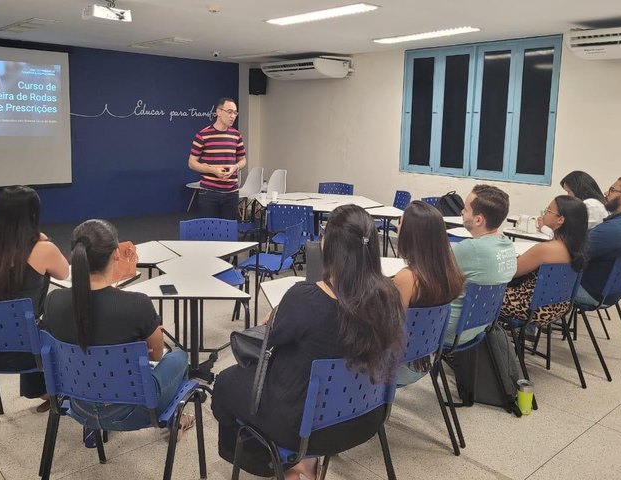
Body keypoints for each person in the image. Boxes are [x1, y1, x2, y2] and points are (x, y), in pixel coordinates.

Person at [211, 205, 405, 479]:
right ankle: (304, 461)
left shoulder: (306, 298)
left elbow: (272, 338)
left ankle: (277, 462)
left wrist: (277, 315)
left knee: (225, 383)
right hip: (366, 416)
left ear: (331, 248)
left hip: (303, 425)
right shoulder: (390, 297)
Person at [41, 220, 193, 434]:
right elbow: (157, 355)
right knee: (179, 357)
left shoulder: (53, 301)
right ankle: (177, 420)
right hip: (133, 412)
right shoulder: (137, 304)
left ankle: (93, 428)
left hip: (78, 406)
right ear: (115, 253)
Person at [0, 186, 69, 411]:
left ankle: (43, 390)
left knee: (29, 323)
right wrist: (43, 239)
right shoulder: (42, 248)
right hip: (22, 353)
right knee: (65, 312)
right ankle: (70, 389)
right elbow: (64, 273)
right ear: (34, 214)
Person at [393, 201, 465, 385]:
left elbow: (390, 326)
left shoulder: (407, 278)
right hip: (427, 357)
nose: (397, 226)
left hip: (400, 366)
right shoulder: (449, 272)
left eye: (400, 223)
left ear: (411, 234)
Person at [445, 185, 517, 346]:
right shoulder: (507, 246)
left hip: (450, 330)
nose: (461, 212)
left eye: (465, 208)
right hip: (480, 326)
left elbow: (435, 278)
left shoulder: (471, 248)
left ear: (478, 220)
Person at [500, 195, 587, 326]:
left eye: (548, 211)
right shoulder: (576, 249)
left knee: (480, 293)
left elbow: (511, 272)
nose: (544, 214)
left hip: (529, 307)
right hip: (557, 306)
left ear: (561, 220)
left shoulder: (545, 249)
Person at [575, 177, 621, 306]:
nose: (605, 193)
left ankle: (533, 324)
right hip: (612, 293)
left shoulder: (614, 229)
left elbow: (572, 252)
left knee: (534, 280)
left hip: (591, 292)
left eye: (611, 190)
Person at [188, 97, 246, 220]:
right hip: (209, 192)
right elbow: (192, 163)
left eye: (235, 113)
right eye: (229, 112)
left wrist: (235, 167)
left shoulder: (236, 135)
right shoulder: (203, 134)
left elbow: (243, 160)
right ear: (218, 112)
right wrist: (213, 170)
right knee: (207, 232)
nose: (233, 116)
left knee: (228, 234)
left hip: (231, 193)